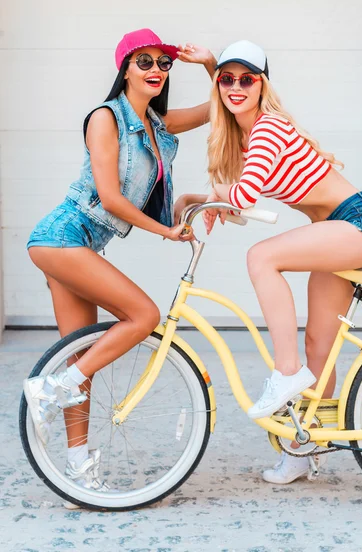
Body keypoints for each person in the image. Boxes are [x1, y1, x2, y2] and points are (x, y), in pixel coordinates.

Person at [23, 28, 217, 496]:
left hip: (81, 246)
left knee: (81, 361)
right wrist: (167, 232)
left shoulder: (159, 123)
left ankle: (75, 469)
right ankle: (48, 388)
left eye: (163, 63)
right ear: (125, 68)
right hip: (61, 238)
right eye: (144, 61)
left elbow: (220, 107)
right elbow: (110, 198)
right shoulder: (105, 119)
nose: (155, 70)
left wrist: (211, 65)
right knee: (144, 315)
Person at [201, 40, 362, 484]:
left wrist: (212, 198)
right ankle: (305, 447)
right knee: (318, 350)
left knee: (261, 256)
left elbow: (243, 196)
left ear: (261, 84)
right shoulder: (247, 136)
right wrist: (197, 201)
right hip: (336, 233)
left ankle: (285, 373)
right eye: (226, 78)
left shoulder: (267, 128)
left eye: (246, 78)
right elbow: (239, 195)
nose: (236, 86)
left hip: (357, 225)